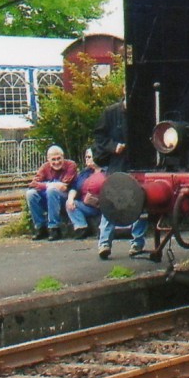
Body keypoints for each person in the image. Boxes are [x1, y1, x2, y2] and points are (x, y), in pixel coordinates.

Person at [91, 97, 148, 259]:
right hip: (118, 162)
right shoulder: (110, 112)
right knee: (111, 201)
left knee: (142, 202)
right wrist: (113, 146)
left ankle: (137, 242)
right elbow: (99, 137)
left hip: (139, 164)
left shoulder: (143, 111)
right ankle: (104, 242)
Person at [26, 145, 78, 241]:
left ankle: (54, 228)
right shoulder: (45, 167)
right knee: (31, 194)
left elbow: (64, 186)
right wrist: (48, 185)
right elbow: (33, 184)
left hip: (65, 198)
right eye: (53, 159)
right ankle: (40, 227)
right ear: (48, 160)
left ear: (63, 157)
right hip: (49, 198)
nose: (56, 162)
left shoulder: (71, 165)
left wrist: (48, 186)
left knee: (52, 191)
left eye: (59, 158)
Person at [65, 149, 103, 239]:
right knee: (70, 204)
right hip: (86, 205)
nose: (87, 159)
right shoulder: (84, 173)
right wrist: (70, 199)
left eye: (89, 157)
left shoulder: (107, 171)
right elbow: (74, 187)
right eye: (86, 157)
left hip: (103, 206)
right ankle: (81, 228)